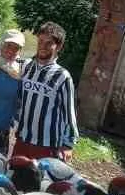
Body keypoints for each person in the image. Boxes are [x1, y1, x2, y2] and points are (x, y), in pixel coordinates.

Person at [11, 20, 78, 163]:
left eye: (49, 43)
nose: (43, 46)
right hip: (23, 139)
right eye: (41, 41)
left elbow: (69, 112)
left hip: (47, 146)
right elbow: (5, 57)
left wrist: (68, 145)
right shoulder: (26, 66)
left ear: (58, 46)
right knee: (14, 178)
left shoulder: (62, 76)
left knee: (40, 184)